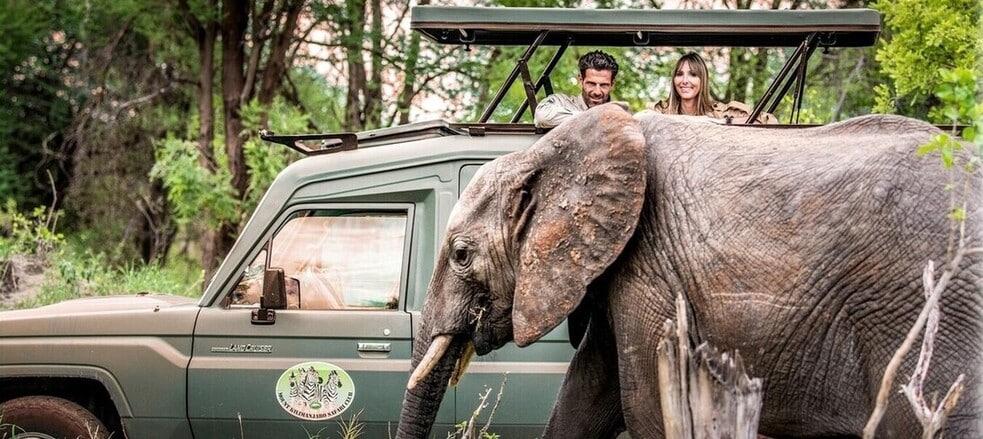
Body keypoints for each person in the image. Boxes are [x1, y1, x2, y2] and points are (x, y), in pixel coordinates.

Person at [649, 52, 776, 124]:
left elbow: (770, 121)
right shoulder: (659, 112)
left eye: (693, 75)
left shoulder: (721, 113)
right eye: (679, 74)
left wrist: (721, 123)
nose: (685, 81)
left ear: (702, 80)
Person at [534, 50, 620, 128]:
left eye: (604, 85)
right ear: (580, 80)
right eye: (591, 84)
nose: (597, 92)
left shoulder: (620, 114)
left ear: (612, 84)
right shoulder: (561, 103)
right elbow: (541, 116)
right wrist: (591, 118)